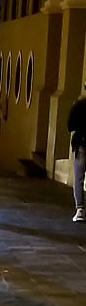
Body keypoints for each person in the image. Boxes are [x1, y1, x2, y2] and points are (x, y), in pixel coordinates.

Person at [68, 90, 86, 222]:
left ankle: (80, 209)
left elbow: (70, 126)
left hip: (81, 143)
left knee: (79, 178)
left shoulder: (79, 105)